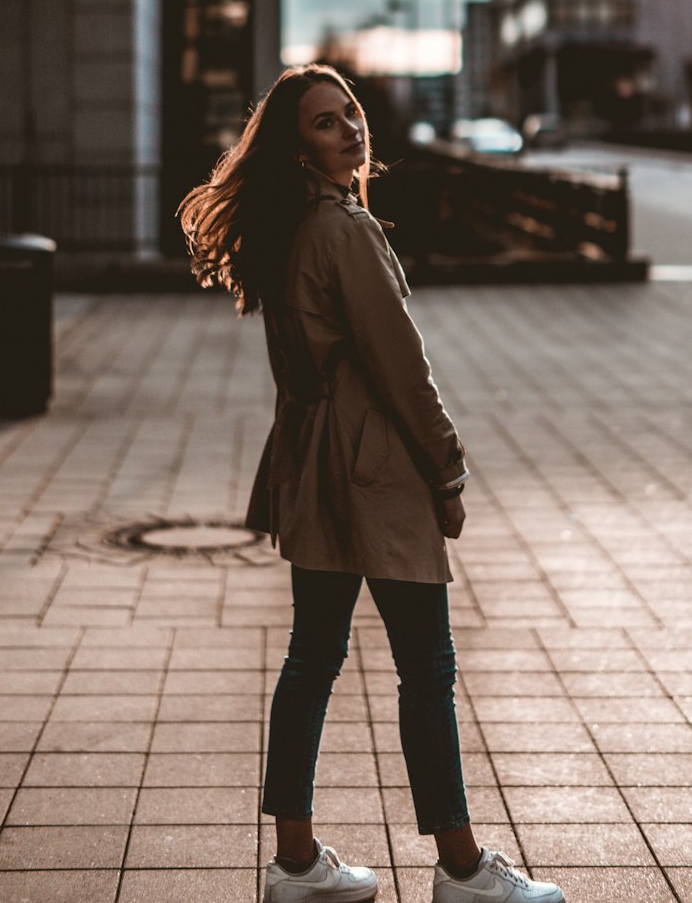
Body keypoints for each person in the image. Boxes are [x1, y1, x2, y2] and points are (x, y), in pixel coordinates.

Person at [179, 64, 564, 903]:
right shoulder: (342, 231)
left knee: (311, 659)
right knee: (425, 666)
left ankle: (294, 862)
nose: (350, 128)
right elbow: (400, 365)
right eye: (325, 121)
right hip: (374, 465)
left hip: (313, 461)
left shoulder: (295, 228)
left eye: (350, 112)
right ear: (296, 145)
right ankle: (463, 870)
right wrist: (448, 467)